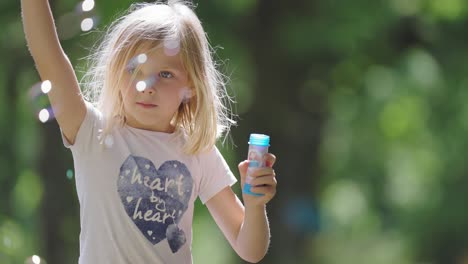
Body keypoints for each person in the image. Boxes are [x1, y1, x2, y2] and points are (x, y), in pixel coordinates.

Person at [21, 0, 278, 263]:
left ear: (191, 82)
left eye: (165, 74)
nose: (146, 86)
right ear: (115, 71)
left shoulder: (197, 152)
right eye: (133, 69)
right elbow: (47, 53)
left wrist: (255, 206)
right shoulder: (91, 132)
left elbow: (250, 250)